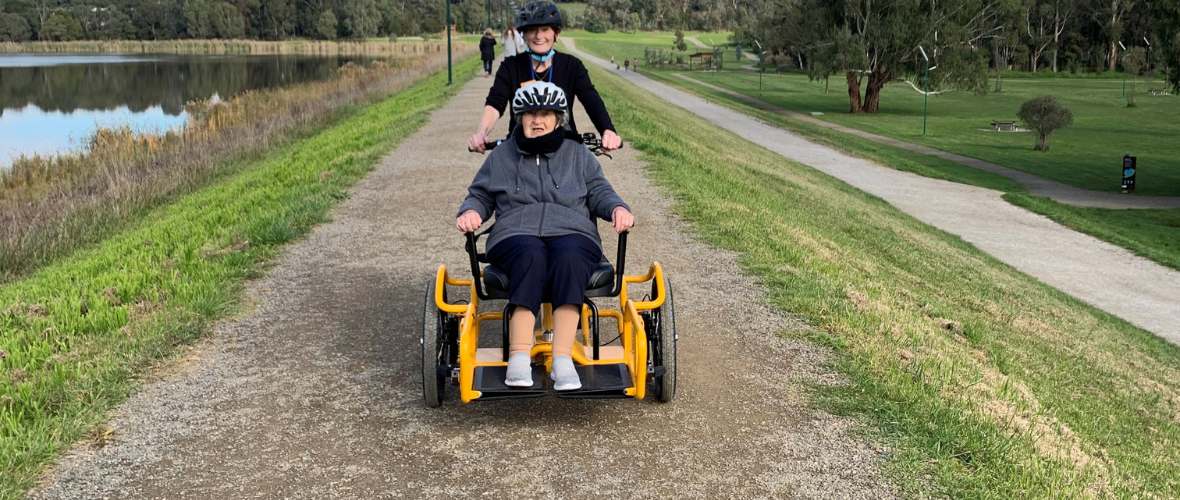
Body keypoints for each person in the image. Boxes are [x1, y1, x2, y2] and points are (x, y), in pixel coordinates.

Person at [456, 82, 635, 391]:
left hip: (572, 230)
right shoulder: (501, 158)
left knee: (569, 256)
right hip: (516, 232)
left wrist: (617, 207)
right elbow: (480, 194)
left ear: (558, 118)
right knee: (530, 255)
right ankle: (519, 356)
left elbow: (599, 191)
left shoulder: (578, 154)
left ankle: (563, 359)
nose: (537, 121)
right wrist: (471, 210)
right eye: (529, 114)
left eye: (545, 114)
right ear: (518, 117)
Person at [468, 0, 622, 154]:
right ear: (524, 34)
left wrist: (607, 130)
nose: (538, 35)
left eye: (545, 29)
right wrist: (482, 133)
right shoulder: (511, 66)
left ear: (555, 33)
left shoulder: (572, 66)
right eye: (532, 30)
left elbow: (591, 99)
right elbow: (495, 103)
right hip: (520, 147)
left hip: (564, 146)